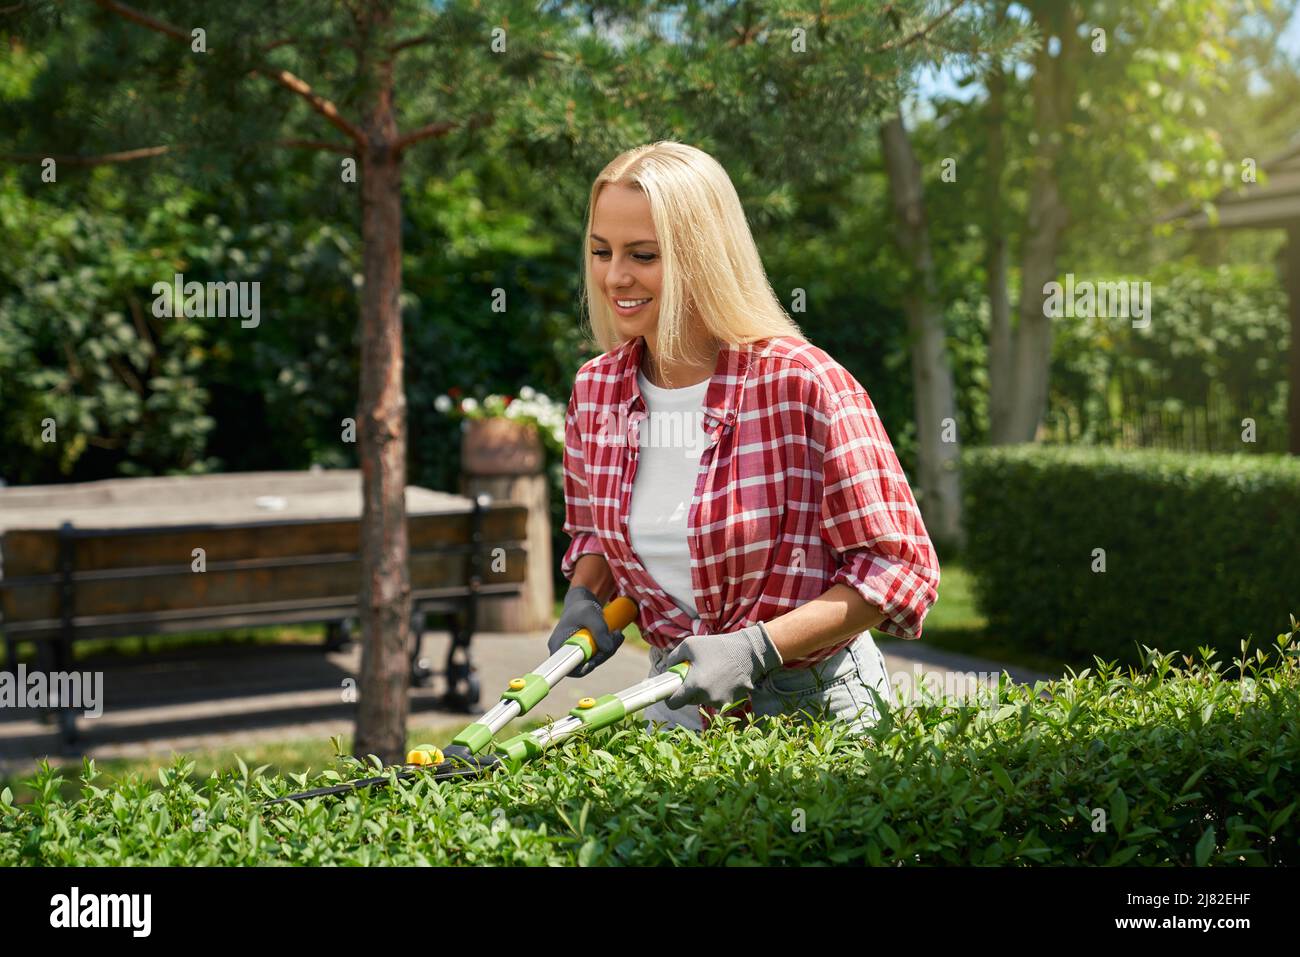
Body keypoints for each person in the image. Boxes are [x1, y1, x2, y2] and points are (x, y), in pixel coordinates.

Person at [547, 140, 939, 737]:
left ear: (701, 257)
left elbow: (898, 568)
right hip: (674, 700)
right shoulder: (596, 390)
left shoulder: (801, 384)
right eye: (601, 251)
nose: (614, 276)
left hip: (818, 707)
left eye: (643, 254)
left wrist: (757, 648)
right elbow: (597, 533)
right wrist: (583, 597)